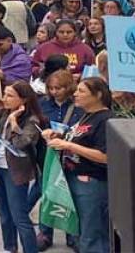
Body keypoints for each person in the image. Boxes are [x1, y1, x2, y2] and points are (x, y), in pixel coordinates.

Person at [43, 77, 113, 253]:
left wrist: (69, 145)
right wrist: (58, 137)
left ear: (97, 94)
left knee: (92, 233)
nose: (75, 94)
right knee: (80, 231)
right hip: (73, 179)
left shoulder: (105, 120)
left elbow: (105, 156)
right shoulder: (85, 116)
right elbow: (73, 140)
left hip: (92, 183)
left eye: (81, 91)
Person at [0, 80, 45, 253]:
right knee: (4, 214)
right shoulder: (1, 114)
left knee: (19, 216)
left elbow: (22, 143)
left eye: (10, 96)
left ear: (24, 100)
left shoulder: (32, 120)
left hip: (15, 171)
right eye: (4, 94)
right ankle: (9, 247)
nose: (4, 98)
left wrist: (14, 123)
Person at [34, 69, 82, 251]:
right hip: (48, 154)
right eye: (51, 88)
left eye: (59, 88)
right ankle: (45, 232)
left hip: (71, 155)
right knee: (47, 192)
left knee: (70, 194)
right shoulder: (43, 104)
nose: (54, 92)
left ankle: (73, 233)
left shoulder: (78, 105)